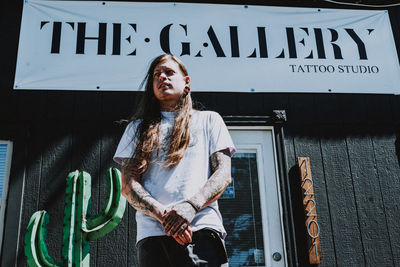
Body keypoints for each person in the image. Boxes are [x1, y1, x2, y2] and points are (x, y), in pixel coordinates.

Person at [113, 54, 236, 267]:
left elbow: (223, 175)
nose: (162, 77)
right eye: (156, 75)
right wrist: (165, 217)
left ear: (186, 82)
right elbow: (128, 185)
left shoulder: (209, 120)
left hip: (201, 230)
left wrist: (190, 207)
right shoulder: (136, 129)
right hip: (153, 235)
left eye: (169, 72)